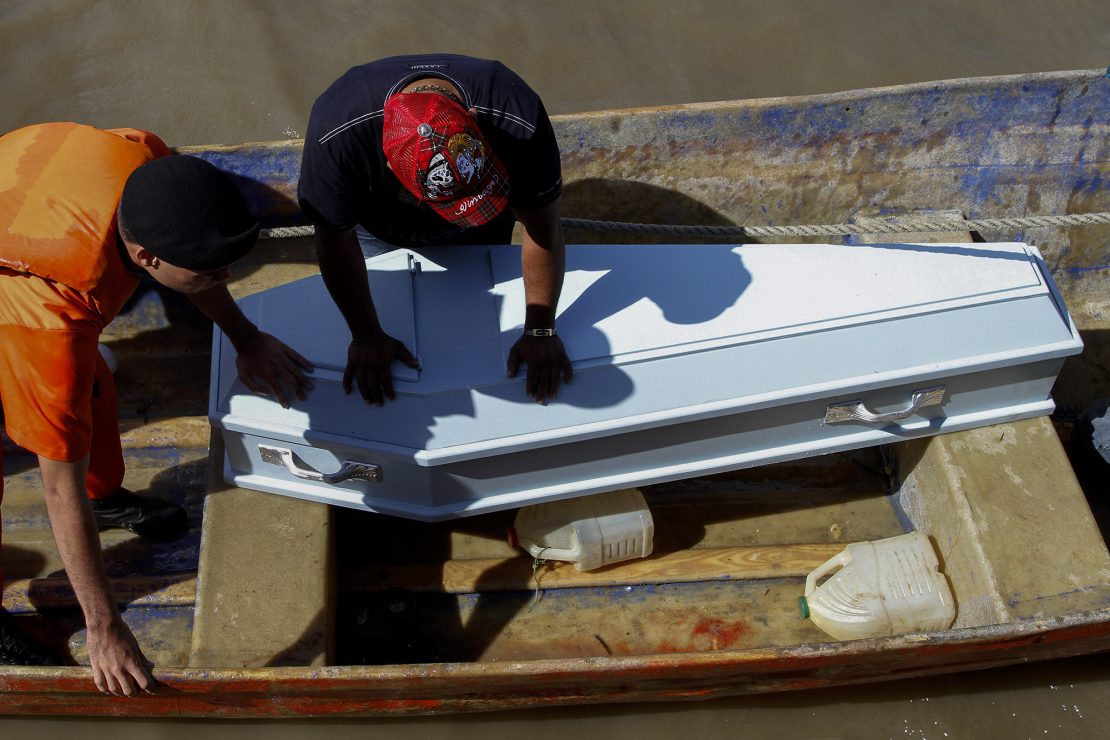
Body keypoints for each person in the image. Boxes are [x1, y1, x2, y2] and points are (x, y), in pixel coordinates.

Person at [0, 122, 312, 694]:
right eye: (211, 274)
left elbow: (191, 259)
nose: (226, 281)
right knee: (59, 415)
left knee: (92, 386)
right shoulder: (49, 325)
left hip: (27, 197)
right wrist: (104, 625)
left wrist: (246, 337)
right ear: (145, 256)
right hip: (16, 287)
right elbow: (54, 485)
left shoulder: (149, 167)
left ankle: (107, 500)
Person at [298, 53, 573, 405]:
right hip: (380, 225)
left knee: (471, 316)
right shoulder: (336, 136)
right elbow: (335, 241)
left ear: (473, 120)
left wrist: (539, 328)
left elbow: (543, 228)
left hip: (488, 220)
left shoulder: (516, 115)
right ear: (387, 164)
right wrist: (366, 336)